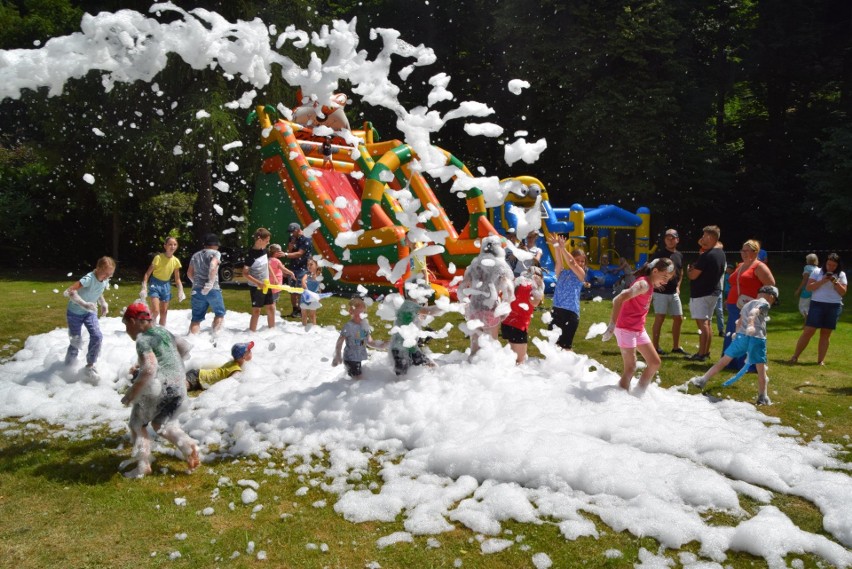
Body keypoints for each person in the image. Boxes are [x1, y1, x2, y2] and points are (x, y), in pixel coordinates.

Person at [120, 302, 199, 478]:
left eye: (126, 326)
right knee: (160, 424)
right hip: (180, 385)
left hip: (162, 387)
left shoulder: (143, 340)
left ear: (133, 321)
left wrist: (131, 394)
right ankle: (189, 447)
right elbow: (185, 349)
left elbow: (149, 369)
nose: (127, 331)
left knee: (137, 424)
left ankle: (143, 465)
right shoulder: (163, 331)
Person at [691, 286, 779, 405]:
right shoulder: (765, 303)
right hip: (757, 339)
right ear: (771, 297)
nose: (771, 303)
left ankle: (702, 380)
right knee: (761, 369)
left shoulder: (747, 304)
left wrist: (736, 335)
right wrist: (752, 322)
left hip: (741, 337)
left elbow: (739, 321)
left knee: (724, 360)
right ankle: (762, 396)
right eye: (773, 301)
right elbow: (755, 312)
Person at [602, 258, 675, 392]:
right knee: (630, 368)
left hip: (638, 329)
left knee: (654, 363)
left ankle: (639, 394)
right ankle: (620, 399)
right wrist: (612, 325)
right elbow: (618, 299)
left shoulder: (650, 284)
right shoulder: (644, 285)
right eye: (664, 276)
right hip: (625, 328)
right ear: (655, 271)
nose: (665, 281)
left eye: (668, 279)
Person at [459, 235, 515, 358]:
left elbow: (462, 287)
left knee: (474, 346)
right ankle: (490, 374)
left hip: (475, 307)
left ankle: (471, 370)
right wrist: (506, 306)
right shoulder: (500, 266)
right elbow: (509, 289)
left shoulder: (474, 265)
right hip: (491, 309)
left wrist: (464, 303)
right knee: (491, 346)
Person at [722, 239, 775, 370]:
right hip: (735, 306)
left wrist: (762, 303)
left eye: (747, 250)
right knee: (733, 333)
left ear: (755, 252)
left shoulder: (759, 267)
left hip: (749, 307)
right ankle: (730, 362)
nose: (743, 253)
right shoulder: (740, 265)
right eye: (742, 250)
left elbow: (771, 286)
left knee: (745, 334)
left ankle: (746, 364)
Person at [788, 252, 847, 366]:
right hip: (817, 304)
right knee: (808, 331)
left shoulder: (841, 274)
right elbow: (809, 287)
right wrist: (823, 280)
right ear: (825, 263)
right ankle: (795, 356)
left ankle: (820, 361)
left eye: (834, 266)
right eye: (829, 264)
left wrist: (835, 281)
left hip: (834, 305)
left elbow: (843, 292)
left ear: (838, 266)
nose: (831, 267)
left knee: (825, 334)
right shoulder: (817, 272)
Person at [63, 256, 115, 381]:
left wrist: (103, 303)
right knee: (76, 341)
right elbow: (70, 291)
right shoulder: (88, 279)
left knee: (97, 336)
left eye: (110, 274)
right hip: (74, 313)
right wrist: (84, 304)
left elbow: (98, 290)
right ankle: (67, 367)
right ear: (98, 269)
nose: (107, 277)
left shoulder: (105, 279)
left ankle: (90, 365)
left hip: (90, 312)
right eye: (105, 273)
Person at [686, 226, 726, 362]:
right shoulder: (720, 253)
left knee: (703, 324)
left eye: (704, 236)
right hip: (713, 292)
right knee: (707, 324)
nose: (701, 239)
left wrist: (689, 271)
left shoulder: (706, 256)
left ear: (710, 237)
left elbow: (693, 276)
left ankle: (701, 354)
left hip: (701, 294)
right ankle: (705, 351)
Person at [389, 282, 442, 376]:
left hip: (410, 347)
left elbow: (421, 317)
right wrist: (446, 306)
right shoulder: (409, 305)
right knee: (402, 377)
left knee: (429, 365)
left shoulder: (411, 306)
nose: (425, 298)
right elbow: (430, 311)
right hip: (400, 349)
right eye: (424, 295)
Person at [548, 234, 589, 350]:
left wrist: (563, 248)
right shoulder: (563, 273)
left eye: (582, 261)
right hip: (557, 310)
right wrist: (556, 246)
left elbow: (572, 263)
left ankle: (568, 368)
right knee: (552, 346)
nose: (580, 263)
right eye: (578, 260)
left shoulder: (581, 274)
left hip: (571, 313)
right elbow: (559, 262)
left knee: (565, 347)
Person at [650, 229, 686, 356]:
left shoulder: (679, 255)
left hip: (673, 292)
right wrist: (655, 283)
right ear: (664, 240)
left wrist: (678, 286)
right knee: (660, 318)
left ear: (677, 240)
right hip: (660, 293)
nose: (670, 240)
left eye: (672, 238)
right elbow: (650, 270)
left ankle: (676, 347)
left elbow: (680, 272)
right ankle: (655, 347)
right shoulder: (659, 255)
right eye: (667, 238)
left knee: (679, 318)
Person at [332, 297, 386, 378]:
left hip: (358, 358)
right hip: (350, 358)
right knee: (358, 380)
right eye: (357, 314)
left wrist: (381, 345)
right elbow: (340, 341)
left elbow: (369, 342)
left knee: (358, 381)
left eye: (362, 314)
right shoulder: (349, 326)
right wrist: (338, 355)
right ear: (351, 312)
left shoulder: (364, 325)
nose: (360, 317)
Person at [501, 266, 545, 364]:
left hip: (507, 323)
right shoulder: (531, 288)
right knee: (520, 362)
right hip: (518, 326)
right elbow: (535, 303)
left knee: (511, 359)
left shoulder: (517, 282)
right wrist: (540, 287)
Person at [140, 237, 185, 327]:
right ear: (165, 246)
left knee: (164, 312)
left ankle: (161, 332)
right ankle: (148, 328)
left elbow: (177, 279)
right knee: (156, 310)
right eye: (170, 244)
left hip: (166, 286)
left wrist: (181, 290)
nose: (172, 246)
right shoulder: (158, 258)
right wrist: (144, 287)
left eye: (175, 244)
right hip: (155, 284)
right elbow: (147, 274)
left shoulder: (176, 261)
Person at [187, 233, 225, 335]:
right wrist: (210, 283)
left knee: (196, 319)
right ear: (216, 244)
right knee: (219, 314)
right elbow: (213, 265)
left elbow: (189, 273)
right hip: (213, 289)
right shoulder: (216, 253)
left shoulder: (195, 255)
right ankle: (215, 337)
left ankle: (192, 340)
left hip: (197, 290)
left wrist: (196, 283)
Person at [242, 228, 276, 332]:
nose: (268, 243)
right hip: (256, 286)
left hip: (266, 283)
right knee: (257, 311)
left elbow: (266, 264)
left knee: (271, 308)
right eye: (267, 241)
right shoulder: (251, 254)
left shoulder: (264, 250)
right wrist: (258, 283)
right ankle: (252, 333)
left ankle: (272, 331)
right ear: (259, 240)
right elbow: (245, 273)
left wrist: (273, 276)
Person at [185, 341, 254, 391]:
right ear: (244, 356)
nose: (251, 352)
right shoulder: (236, 370)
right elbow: (230, 387)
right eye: (249, 351)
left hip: (198, 375)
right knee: (180, 389)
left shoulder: (232, 362)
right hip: (197, 378)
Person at [282, 223, 313, 319]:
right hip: (293, 267)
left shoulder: (306, 239)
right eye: (290, 232)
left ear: (297, 230)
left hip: (303, 268)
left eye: (292, 232)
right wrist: (290, 247)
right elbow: (290, 251)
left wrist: (285, 254)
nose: (291, 234)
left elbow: (299, 254)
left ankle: (300, 310)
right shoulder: (292, 238)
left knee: (300, 290)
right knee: (292, 290)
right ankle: (295, 309)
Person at [267, 243, 295, 314]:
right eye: (280, 251)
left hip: (269, 283)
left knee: (270, 299)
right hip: (276, 283)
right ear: (276, 252)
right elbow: (283, 269)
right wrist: (291, 273)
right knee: (274, 300)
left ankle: (271, 311)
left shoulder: (268, 260)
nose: (282, 253)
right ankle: (273, 312)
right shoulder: (277, 261)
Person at [794, 253, 820, 319]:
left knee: (802, 306)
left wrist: (798, 289)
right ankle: (808, 322)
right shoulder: (818, 269)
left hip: (807, 289)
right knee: (810, 306)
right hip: (815, 290)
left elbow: (805, 280)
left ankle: (807, 321)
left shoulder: (807, 268)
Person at [299, 258, 323, 327]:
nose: (309, 266)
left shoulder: (319, 275)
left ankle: (314, 329)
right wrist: (306, 289)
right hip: (305, 297)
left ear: (317, 266)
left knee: (312, 315)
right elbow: (303, 281)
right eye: (308, 265)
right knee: (304, 314)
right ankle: (304, 327)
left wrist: (320, 296)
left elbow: (319, 287)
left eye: (311, 264)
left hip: (313, 298)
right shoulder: (307, 274)